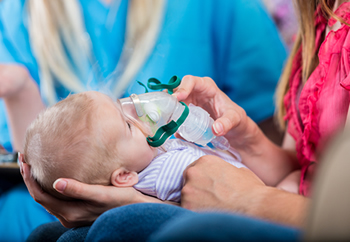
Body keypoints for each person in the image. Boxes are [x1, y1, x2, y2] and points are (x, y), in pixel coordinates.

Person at [23, 0, 350, 241]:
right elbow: (302, 168)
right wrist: (246, 141)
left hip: (300, 214)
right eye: (126, 124)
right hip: (289, 200)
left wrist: (255, 200)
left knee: (122, 227)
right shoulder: (319, 20)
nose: (137, 114)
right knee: (49, 236)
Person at [24, 91, 247, 203]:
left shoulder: (144, 157)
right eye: (129, 125)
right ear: (124, 176)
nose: (138, 114)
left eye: (121, 106)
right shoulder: (166, 174)